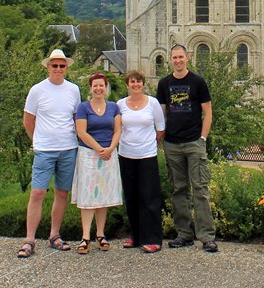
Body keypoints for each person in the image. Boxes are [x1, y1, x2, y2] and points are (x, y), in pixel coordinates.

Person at [18, 48, 81, 258]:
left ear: (66, 68)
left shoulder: (73, 90)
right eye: (54, 65)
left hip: (68, 148)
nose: (58, 69)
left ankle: (55, 235)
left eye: (62, 66)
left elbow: (76, 118)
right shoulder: (37, 90)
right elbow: (28, 120)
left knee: (62, 193)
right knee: (37, 193)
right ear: (48, 67)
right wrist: (37, 140)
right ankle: (29, 240)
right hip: (45, 150)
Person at [156, 44, 218, 252]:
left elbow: (208, 112)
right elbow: (162, 114)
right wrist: (162, 138)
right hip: (172, 143)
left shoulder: (197, 82)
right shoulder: (164, 84)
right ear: (170, 60)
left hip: (193, 142)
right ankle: (184, 234)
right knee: (178, 190)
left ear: (187, 58)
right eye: (174, 57)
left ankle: (207, 236)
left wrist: (202, 138)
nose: (178, 60)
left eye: (181, 57)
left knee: (200, 189)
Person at [72, 72, 123, 254]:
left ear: (106, 87)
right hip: (88, 154)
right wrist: (98, 149)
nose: (98, 89)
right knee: (88, 195)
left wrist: (109, 148)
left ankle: (100, 234)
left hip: (108, 154)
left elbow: (118, 130)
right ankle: (85, 236)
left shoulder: (113, 107)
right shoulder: (83, 108)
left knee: (103, 195)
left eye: (101, 85)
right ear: (91, 88)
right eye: (95, 86)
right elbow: (82, 132)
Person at [118, 70, 165, 253]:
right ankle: (136, 236)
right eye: (132, 82)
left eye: (138, 81)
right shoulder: (120, 104)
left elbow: (160, 129)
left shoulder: (152, 103)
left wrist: (148, 143)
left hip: (147, 155)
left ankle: (153, 238)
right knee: (131, 196)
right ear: (127, 85)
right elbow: (117, 128)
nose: (135, 84)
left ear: (143, 84)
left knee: (150, 197)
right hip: (126, 155)